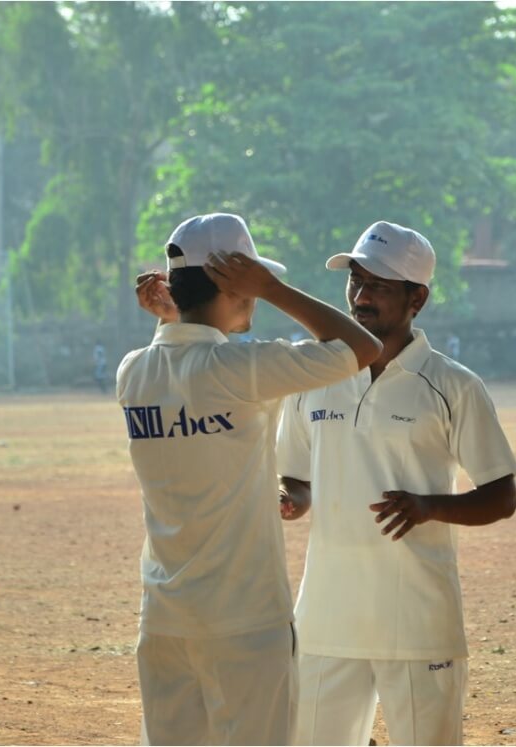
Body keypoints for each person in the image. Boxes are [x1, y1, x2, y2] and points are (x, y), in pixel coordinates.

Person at [119, 212, 382, 746]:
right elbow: (362, 348)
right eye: (252, 283)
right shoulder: (241, 369)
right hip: (244, 622)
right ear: (236, 284)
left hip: (166, 619)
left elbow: (178, 357)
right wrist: (277, 289)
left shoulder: (134, 372)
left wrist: (173, 318)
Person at [275, 221, 516, 746]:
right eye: (355, 281)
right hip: (325, 621)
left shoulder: (452, 385)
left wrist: (429, 506)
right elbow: (295, 476)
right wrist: (289, 499)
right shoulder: (312, 375)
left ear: (418, 299)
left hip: (417, 623)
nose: (360, 298)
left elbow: (502, 497)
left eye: (379, 287)